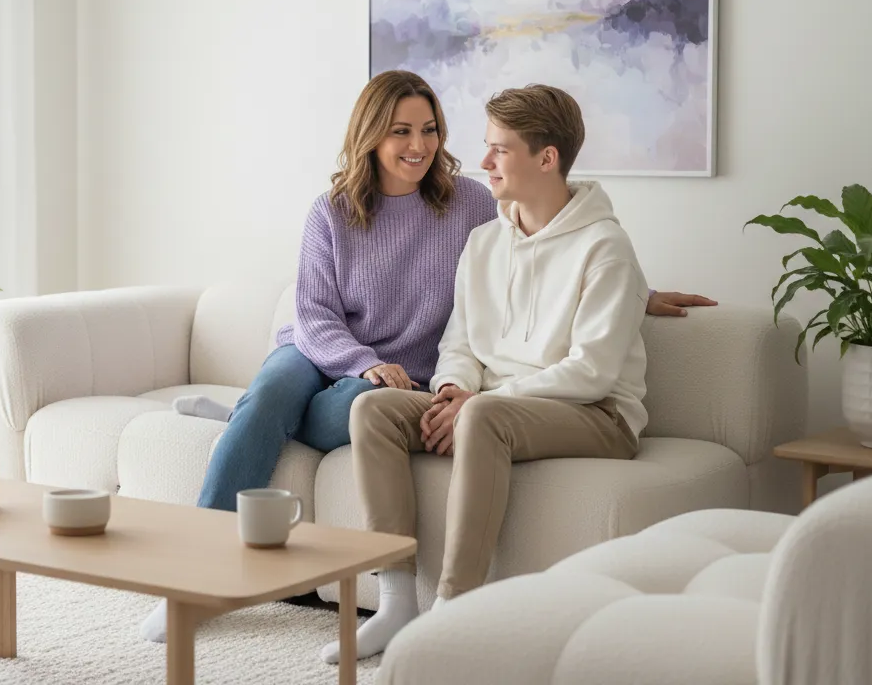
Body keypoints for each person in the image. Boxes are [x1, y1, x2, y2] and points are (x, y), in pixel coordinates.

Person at [321, 84, 702, 664]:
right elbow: (460, 341)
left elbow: (593, 373)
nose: (484, 162)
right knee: (372, 408)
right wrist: (454, 388)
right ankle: (396, 603)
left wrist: (476, 404)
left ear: (546, 158)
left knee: (485, 416)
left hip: (597, 415)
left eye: (500, 149)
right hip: (493, 404)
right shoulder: (483, 242)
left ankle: (455, 612)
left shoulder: (606, 247)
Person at [138, 69, 497, 643]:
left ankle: (248, 418)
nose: (419, 145)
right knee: (273, 394)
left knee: (334, 408)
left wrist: (631, 290)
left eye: (429, 129)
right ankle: (194, 581)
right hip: (317, 349)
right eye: (401, 130)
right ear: (370, 134)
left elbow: (527, 263)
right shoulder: (332, 211)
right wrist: (361, 360)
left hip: (400, 378)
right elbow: (314, 313)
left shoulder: (471, 204)